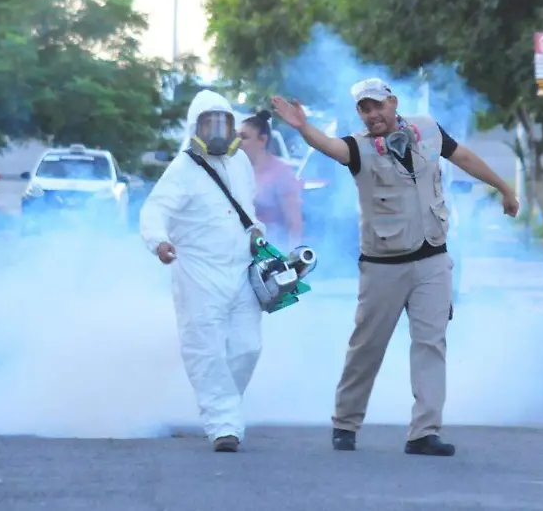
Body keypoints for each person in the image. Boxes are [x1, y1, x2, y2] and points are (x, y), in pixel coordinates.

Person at [271, 77, 520, 457]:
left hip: (433, 258)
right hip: (383, 265)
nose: (373, 114)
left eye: (378, 106)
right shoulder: (358, 147)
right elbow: (330, 146)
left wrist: (504, 187)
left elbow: (463, 157)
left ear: (393, 103)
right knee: (367, 347)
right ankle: (346, 422)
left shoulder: (428, 130)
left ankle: (424, 432)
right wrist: (304, 127)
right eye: (364, 109)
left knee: (431, 344)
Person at [139, 89, 265, 453]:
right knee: (206, 350)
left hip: (242, 270)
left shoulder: (240, 164)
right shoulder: (182, 169)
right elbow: (154, 211)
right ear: (194, 126)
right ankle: (223, 424)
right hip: (198, 272)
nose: (216, 131)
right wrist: (158, 242)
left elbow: (247, 209)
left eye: (222, 122)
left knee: (247, 347)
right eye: (208, 123)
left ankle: (226, 408)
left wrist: (257, 233)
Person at [238, 110, 304, 249]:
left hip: (270, 250)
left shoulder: (281, 172)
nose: (237, 142)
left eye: (244, 137)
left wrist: (291, 258)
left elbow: (294, 223)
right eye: (236, 136)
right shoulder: (235, 169)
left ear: (262, 140)